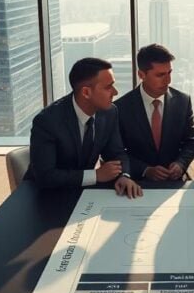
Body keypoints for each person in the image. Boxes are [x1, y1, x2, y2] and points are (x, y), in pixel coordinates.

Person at [25, 57, 142, 198]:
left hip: (80, 193)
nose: (115, 92)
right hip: (43, 196)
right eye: (108, 87)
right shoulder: (47, 121)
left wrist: (124, 175)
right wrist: (95, 175)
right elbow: (46, 176)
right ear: (86, 92)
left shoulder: (109, 112)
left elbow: (116, 153)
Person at [116, 44, 194, 181]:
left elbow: (191, 141)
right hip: (136, 183)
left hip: (174, 182)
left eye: (169, 73)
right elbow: (116, 152)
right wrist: (145, 170)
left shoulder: (183, 102)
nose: (168, 80)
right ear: (141, 75)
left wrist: (180, 164)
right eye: (160, 75)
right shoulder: (121, 107)